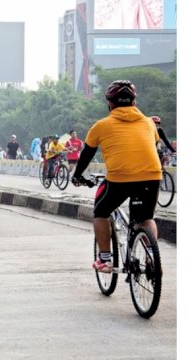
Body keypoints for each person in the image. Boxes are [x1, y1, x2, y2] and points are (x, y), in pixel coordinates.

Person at [71, 80, 161, 273]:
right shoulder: (148, 123)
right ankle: (152, 256)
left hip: (120, 179)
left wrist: (77, 176)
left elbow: (86, 155)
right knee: (146, 218)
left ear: (110, 104)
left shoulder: (101, 126)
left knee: (101, 212)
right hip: (152, 176)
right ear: (134, 103)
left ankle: (105, 259)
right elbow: (152, 146)